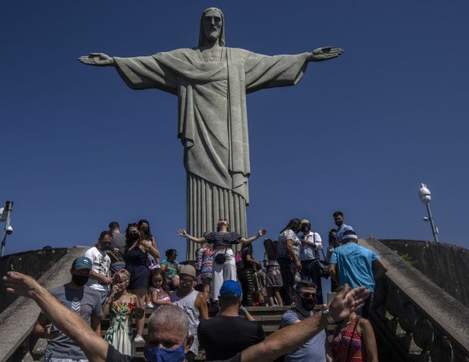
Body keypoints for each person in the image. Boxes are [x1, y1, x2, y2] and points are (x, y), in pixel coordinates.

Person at [79, 8, 343, 260]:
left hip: (230, 133)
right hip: (199, 129)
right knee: (199, 179)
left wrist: (306, 56)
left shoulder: (237, 58)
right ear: (201, 26)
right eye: (209, 20)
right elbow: (153, 63)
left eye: (218, 20)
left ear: (223, 26)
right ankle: (198, 256)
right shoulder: (186, 58)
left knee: (231, 180)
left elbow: (271, 64)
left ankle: (236, 254)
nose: (214, 25)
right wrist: (115, 61)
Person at [3, 268, 369, 362]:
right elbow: (78, 330)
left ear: (188, 344)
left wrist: (323, 319)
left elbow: (275, 346)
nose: (160, 349)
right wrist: (37, 291)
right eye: (155, 342)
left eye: (169, 344)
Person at [32, 256, 103, 362]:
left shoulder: (95, 296)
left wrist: (96, 355)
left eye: (86, 273)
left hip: (81, 357)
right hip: (56, 355)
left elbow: (96, 330)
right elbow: (37, 327)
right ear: (72, 271)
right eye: (79, 272)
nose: (82, 275)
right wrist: (46, 333)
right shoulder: (54, 294)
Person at [198, 280, 265, 362]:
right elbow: (257, 328)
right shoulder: (253, 329)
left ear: (219, 298)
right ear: (240, 298)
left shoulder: (205, 327)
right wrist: (244, 310)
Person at [178, 218, 266, 302]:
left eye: (224, 220)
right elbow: (198, 240)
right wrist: (187, 235)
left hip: (228, 253)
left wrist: (258, 235)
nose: (222, 221)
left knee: (231, 276)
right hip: (218, 254)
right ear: (218, 223)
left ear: (227, 224)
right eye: (220, 220)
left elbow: (246, 241)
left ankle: (232, 296)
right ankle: (217, 299)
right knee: (217, 277)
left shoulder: (232, 234)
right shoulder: (213, 234)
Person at [95, 269, 145, 362]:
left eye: (121, 281)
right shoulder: (111, 297)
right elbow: (103, 316)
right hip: (113, 333)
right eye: (116, 281)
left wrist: (139, 333)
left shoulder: (133, 297)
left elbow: (140, 315)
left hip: (126, 333)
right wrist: (110, 296)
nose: (118, 283)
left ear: (127, 282)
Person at [281, 280, 333, 362]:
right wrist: (324, 314)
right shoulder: (289, 316)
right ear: (297, 296)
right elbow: (302, 328)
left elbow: (324, 345)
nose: (310, 298)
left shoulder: (318, 319)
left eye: (314, 295)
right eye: (306, 295)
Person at [328, 231, 387, 318]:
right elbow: (384, 268)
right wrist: (372, 279)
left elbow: (331, 270)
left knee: (352, 318)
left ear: (343, 240)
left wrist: (338, 282)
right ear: (356, 239)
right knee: (364, 318)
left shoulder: (337, 251)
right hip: (368, 288)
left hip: (350, 289)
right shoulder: (368, 251)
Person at [169, 265, 209, 362]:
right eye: (182, 280)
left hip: (190, 343)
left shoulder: (199, 296)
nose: (185, 284)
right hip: (173, 339)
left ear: (194, 281)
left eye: (188, 281)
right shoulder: (171, 296)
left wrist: (204, 342)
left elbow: (205, 321)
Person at [124, 223, 160, 305]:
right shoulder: (129, 246)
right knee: (130, 304)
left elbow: (157, 254)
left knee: (139, 305)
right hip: (128, 275)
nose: (132, 233)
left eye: (134, 231)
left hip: (140, 274)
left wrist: (150, 247)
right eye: (130, 232)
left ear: (139, 231)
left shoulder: (143, 242)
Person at [298, 219, 325, 303]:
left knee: (316, 283)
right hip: (303, 262)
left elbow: (319, 246)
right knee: (304, 283)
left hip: (313, 261)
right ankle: (306, 301)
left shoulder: (314, 235)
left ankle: (319, 302)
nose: (303, 226)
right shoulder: (300, 237)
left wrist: (307, 242)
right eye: (302, 225)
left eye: (305, 225)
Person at [277, 218, 302, 305]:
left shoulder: (283, 232)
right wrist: (296, 261)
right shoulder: (290, 232)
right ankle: (289, 301)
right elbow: (289, 246)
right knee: (289, 282)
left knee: (287, 281)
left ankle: (287, 300)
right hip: (288, 260)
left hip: (284, 260)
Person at [85, 231, 114, 304]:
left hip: (105, 290)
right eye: (105, 242)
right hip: (93, 288)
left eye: (109, 243)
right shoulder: (91, 252)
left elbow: (106, 272)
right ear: (99, 240)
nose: (107, 244)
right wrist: (103, 278)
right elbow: (87, 270)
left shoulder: (107, 257)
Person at [238, 241, 262, 306]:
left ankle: (244, 304)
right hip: (247, 270)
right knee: (250, 288)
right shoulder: (248, 248)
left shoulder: (242, 250)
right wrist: (257, 262)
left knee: (244, 288)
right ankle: (249, 304)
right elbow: (248, 258)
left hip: (241, 272)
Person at [263, 238, 283, 306]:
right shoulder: (277, 252)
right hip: (277, 271)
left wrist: (264, 263)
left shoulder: (267, 253)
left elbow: (266, 264)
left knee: (270, 291)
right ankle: (281, 305)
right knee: (277, 291)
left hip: (270, 270)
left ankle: (272, 306)